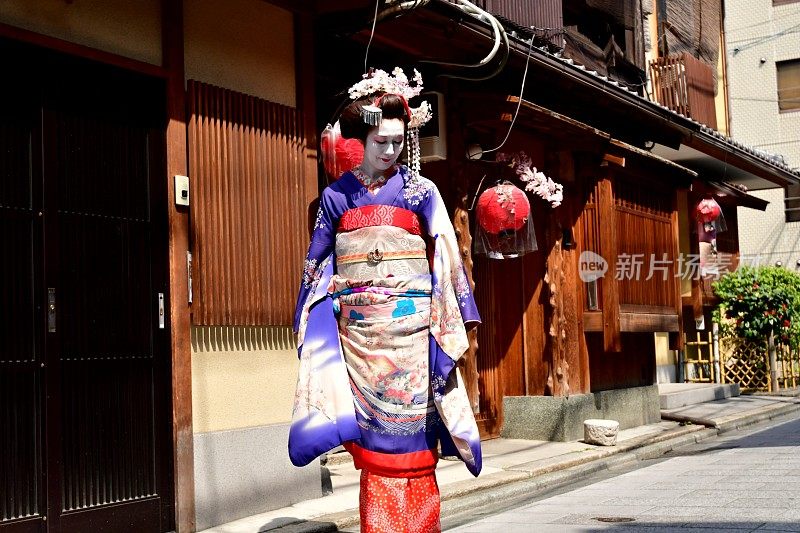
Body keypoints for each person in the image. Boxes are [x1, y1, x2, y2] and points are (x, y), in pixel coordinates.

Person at [289, 68, 481, 533]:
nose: (390, 151)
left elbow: (446, 253)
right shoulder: (336, 197)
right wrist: (309, 311)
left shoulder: (421, 192)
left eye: (398, 141)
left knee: (415, 443)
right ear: (362, 139)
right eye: (381, 141)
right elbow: (317, 262)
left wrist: (449, 315)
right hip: (361, 343)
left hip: (412, 337)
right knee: (376, 451)